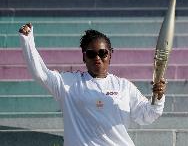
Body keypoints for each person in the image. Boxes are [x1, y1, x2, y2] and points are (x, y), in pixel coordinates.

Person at [19, 23, 166, 146]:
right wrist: (28, 42)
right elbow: (40, 74)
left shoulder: (124, 86)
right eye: (91, 54)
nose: (97, 58)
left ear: (110, 55)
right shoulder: (68, 84)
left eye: (103, 53)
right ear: (84, 57)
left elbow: (147, 115)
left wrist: (158, 97)